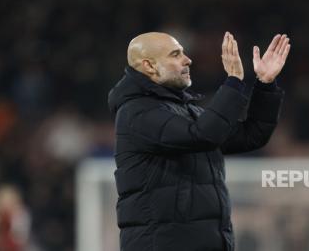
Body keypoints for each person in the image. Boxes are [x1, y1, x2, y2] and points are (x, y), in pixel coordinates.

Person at [108, 31, 290, 251]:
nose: (188, 59)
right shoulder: (137, 113)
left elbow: (251, 135)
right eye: (175, 54)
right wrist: (233, 82)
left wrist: (265, 84)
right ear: (149, 66)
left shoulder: (186, 112)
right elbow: (204, 135)